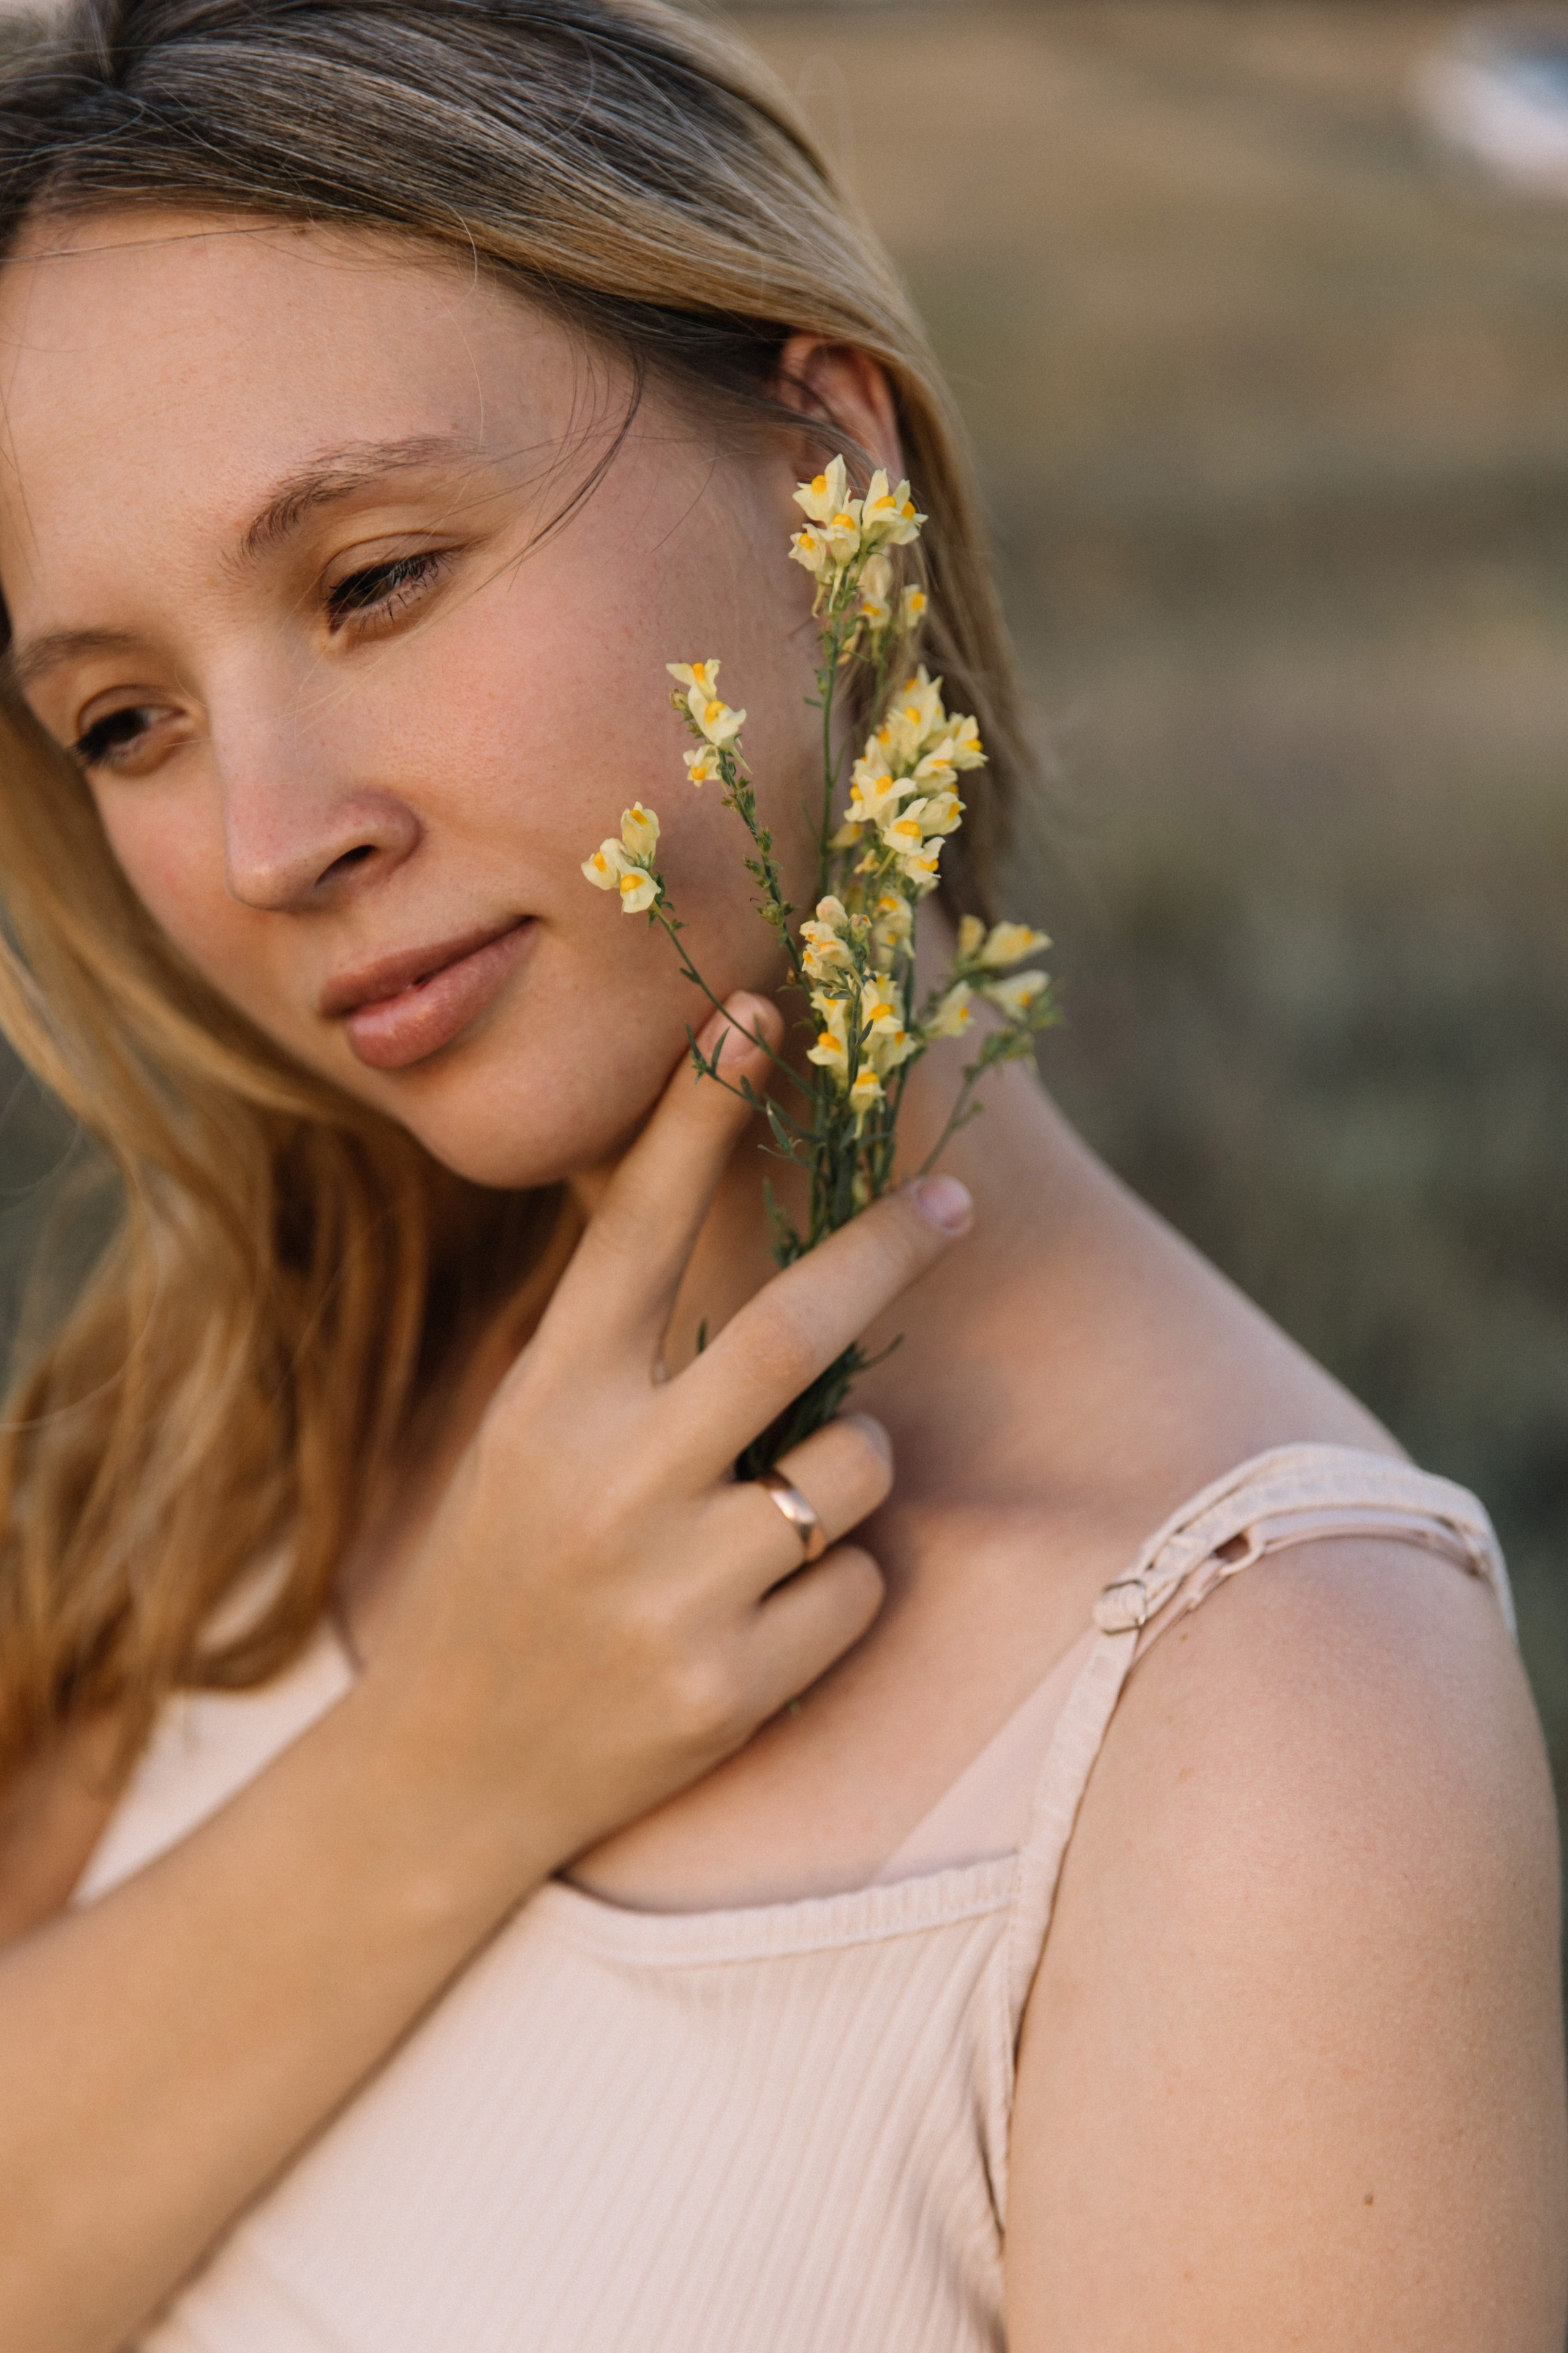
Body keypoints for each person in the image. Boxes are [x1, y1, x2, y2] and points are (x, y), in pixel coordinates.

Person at [0, 2, 1560, 2346]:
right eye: (127, 721)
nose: (266, 836)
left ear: (834, 469)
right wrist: (450, 1758)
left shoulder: (1267, 1734)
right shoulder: (236, 1419)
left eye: (376, 579)